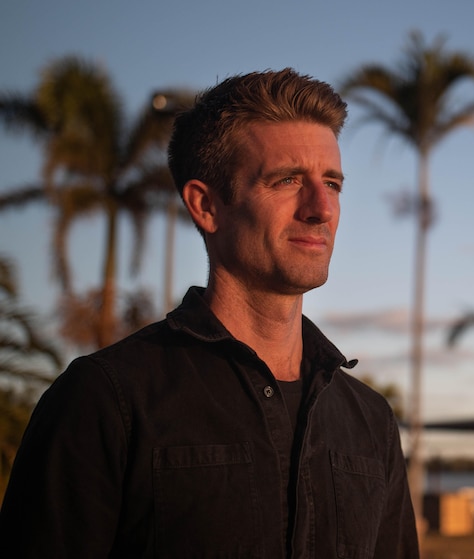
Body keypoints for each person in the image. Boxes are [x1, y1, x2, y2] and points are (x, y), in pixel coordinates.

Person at [0, 68, 420, 558]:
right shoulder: (106, 399)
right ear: (205, 206)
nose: (321, 208)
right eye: (287, 180)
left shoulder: (370, 419)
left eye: (332, 183)